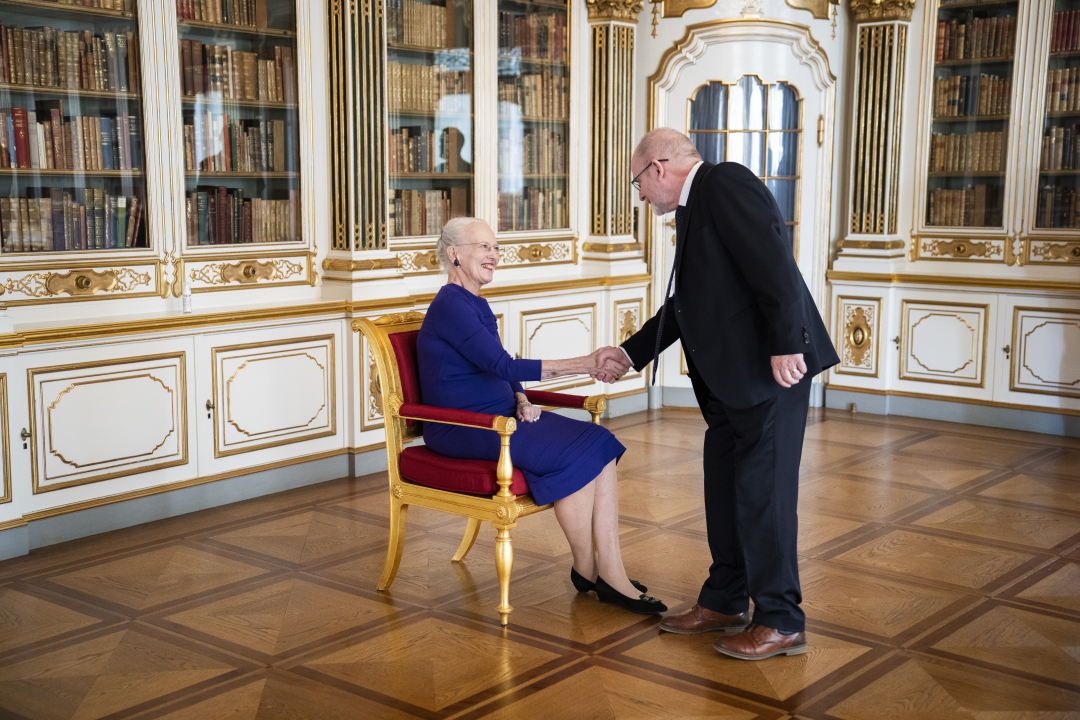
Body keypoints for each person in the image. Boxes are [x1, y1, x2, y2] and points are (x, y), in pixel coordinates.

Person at [603, 128, 839, 660]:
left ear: (658, 168)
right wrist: (630, 354)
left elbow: (774, 263)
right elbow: (686, 306)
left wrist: (786, 343)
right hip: (733, 384)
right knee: (726, 490)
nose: (640, 196)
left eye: (638, 183)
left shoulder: (725, 182)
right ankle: (725, 600)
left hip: (770, 372)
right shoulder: (695, 206)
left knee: (763, 495)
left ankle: (780, 620)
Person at [417, 216, 666, 615]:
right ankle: (593, 570)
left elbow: (499, 364)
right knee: (581, 452)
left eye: (496, 247)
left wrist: (520, 397)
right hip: (464, 426)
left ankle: (605, 570)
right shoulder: (450, 304)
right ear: (454, 254)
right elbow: (502, 364)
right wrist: (586, 363)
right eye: (484, 247)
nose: (494, 255)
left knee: (599, 443)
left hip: (501, 417)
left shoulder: (473, 302)